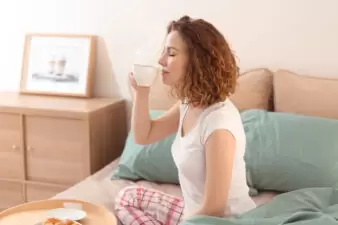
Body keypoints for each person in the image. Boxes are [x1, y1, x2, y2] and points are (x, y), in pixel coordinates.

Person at [115, 15, 256, 225]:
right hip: (195, 213)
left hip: (222, 221)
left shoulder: (219, 124)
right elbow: (144, 136)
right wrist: (141, 92)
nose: (161, 61)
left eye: (171, 53)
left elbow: (214, 208)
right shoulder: (189, 103)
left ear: (196, 60)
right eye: (164, 52)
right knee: (128, 197)